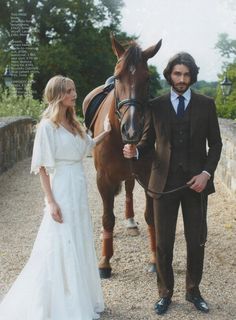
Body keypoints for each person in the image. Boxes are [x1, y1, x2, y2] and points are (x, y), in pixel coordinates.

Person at [0, 75, 111, 320]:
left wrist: (104, 133)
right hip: (61, 187)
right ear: (59, 95)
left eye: (74, 89)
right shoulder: (46, 127)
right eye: (70, 91)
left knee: (79, 237)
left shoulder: (74, 123)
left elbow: (86, 146)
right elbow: (41, 167)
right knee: (60, 240)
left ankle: (79, 295)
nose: (75, 94)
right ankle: (60, 302)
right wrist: (50, 201)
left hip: (79, 187)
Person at [123, 52, 222, 315]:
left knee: (196, 240)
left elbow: (216, 145)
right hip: (163, 184)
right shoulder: (156, 105)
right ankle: (165, 293)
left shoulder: (206, 104)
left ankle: (193, 291)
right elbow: (146, 144)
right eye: (177, 74)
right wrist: (136, 153)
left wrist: (206, 174)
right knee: (164, 243)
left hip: (196, 185)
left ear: (192, 77)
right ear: (170, 75)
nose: (181, 79)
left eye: (186, 74)